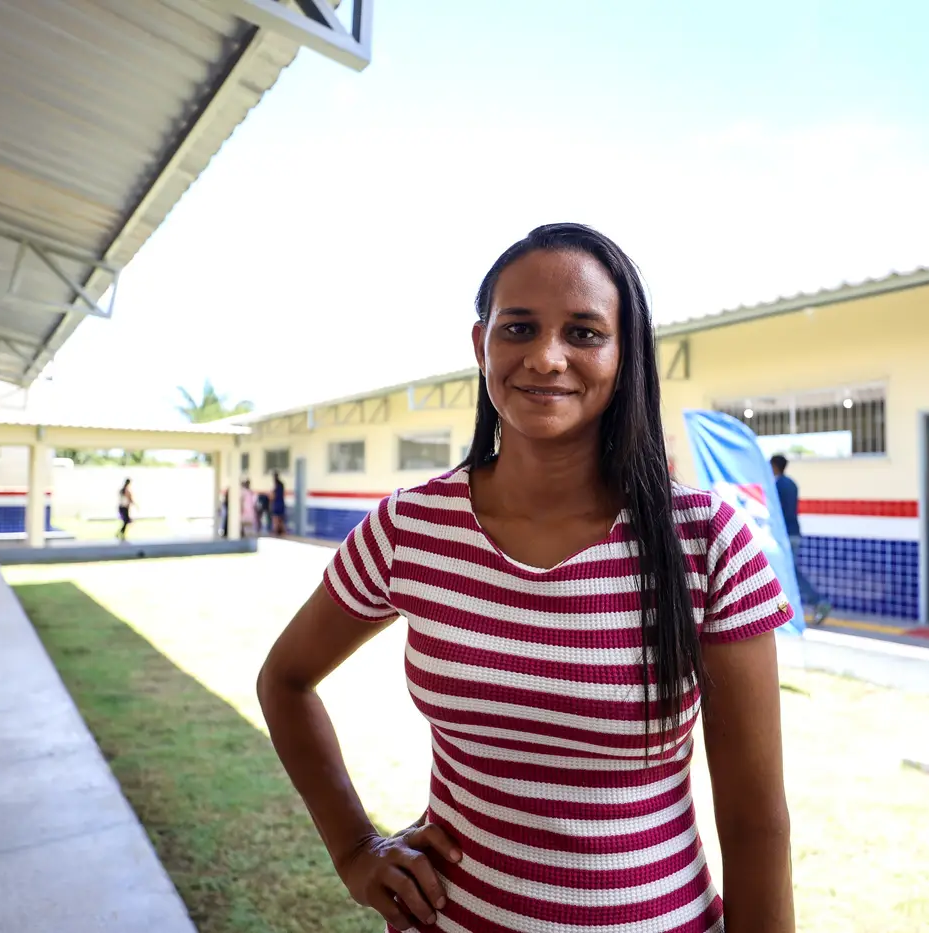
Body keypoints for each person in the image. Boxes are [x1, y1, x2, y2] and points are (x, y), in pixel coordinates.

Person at [257, 224, 796, 933]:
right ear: (480, 342)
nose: (546, 358)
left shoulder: (706, 541)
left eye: (583, 332)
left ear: (625, 352)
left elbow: (756, 823)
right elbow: (285, 680)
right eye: (519, 328)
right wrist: (357, 849)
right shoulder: (409, 528)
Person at [770, 453, 833, 625]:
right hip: (795, 532)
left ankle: (817, 602)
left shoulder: (776, 486)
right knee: (788, 573)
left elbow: (776, 513)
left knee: (788, 574)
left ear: (774, 466)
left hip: (785, 535)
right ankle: (786, 609)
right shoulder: (791, 484)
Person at [270, 470, 286, 536]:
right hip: (281, 503)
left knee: (275, 518)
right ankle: (283, 532)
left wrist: (270, 500)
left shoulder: (276, 485)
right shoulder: (281, 484)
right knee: (281, 519)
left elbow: (273, 496)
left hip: (277, 504)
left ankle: (275, 531)